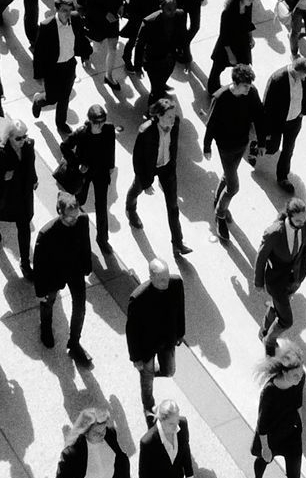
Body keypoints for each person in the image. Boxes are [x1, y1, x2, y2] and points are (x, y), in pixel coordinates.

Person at [203, 63, 264, 242]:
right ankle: (220, 214)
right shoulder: (220, 97)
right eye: (245, 85)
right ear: (236, 83)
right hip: (226, 147)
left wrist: (260, 142)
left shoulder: (251, 93)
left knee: (229, 175)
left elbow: (259, 116)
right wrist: (207, 146)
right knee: (233, 187)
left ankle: (217, 198)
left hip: (241, 143)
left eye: (250, 85)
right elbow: (211, 123)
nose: (249, 88)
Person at [33, 190, 94, 367]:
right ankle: (45, 327)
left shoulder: (82, 221)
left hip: (75, 271)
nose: (74, 220)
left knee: (80, 308)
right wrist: (40, 291)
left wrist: (87, 265)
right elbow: (39, 264)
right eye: (69, 217)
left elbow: (85, 243)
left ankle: (74, 343)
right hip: (54, 274)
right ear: (59, 212)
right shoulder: (47, 233)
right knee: (48, 302)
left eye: (76, 215)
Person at [126, 258, 186, 422]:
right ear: (151, 277)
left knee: (169, 371)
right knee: (147, 382)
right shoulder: (138, 299)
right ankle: (148, 406)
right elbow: (131, 331)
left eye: (166, 277)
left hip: (167, 340)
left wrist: (180, 332)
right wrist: (136, 358)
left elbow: (180, 308)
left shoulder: (176, 283)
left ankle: (149, 372)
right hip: (147, 346)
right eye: (160, 279)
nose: (165, 282)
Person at [127, 98, 190, 254]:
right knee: (137, 189)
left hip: (167, 168)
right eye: (168, 116)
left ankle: (178, 243)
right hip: (148, 168)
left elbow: (173, 146)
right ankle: (130, 209)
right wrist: (146, 182)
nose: (172, 119)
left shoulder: (175, 124)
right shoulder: (146, 131)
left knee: (173, 206)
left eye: (173, 115)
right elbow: (137, 159)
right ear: (159, 116)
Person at [0, 119, 37, 278]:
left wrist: (34, 179)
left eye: (24, 136)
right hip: (4, 195)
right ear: (9, 137)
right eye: (18, 138)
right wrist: (2, 177)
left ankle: (25, 262)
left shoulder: (29, 145)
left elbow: (31, 165)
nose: (23, 141)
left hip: (23, 195)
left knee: (24, 227)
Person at [255, 198, 306, 355]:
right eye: (297, 220)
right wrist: (258, 282)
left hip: (294, 278)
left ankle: (264, 331)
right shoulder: (274, 232)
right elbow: (261, 257)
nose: (301, 223)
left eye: (303, 219)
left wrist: (301, 272)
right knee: (286, 320)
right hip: (277, 281)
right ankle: (270, 340)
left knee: (276, 306)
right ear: (289, 216)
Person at [252, 342, 305, 478]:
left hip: (292, 433)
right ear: (284, 372)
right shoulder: (269, 392)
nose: (300, 376)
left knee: (294, 477)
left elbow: (298, 405)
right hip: (272, 435)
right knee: (263, 460)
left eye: (301, 372)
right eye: (295, 374)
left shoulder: (300, 379)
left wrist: (300, 427)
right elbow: (263, 423)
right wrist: (265, 448)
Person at [32, 0, 93, 133]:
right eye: (64, 10)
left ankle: (61, 123)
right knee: (52, 98)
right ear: (57, 9)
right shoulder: (47, 26)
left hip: (69, 65)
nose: (68, 13)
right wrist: (38, 75)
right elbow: (39, 53)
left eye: (69, 9)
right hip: (53, 69)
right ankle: (38, 101)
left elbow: (81, 38)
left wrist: (86, 55)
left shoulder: (75, 18)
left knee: (65, 97)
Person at [60, 104, 117, 254]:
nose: (100, 126)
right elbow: (64, 147)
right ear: (90, 121)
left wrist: (111, 166)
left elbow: (111, 147)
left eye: (102, 122)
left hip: (101, 171)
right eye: (97, 123)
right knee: (78, 201)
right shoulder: (81, 133)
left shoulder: (109, 129)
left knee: (101, 206)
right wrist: (77, 163)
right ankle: (70, 227)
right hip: (84, 172)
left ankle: (103, 239)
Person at [53, 407, 132, 478]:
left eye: (104, 429)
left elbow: (119, 457)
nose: (102, 434)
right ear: (85, 431)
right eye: (96, 433)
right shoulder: (72, 454)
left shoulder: (110, 434)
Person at [261, 56, 306, 193]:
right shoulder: (277, 79)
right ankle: (257, 146)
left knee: (288, 150)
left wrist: (303, 111)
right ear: (296, 71)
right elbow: (267, 104)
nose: (305, 78)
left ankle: (283, 177)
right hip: (278, 121)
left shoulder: (305, 75)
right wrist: (266, 128)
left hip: (295, 120)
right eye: (303, 76)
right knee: (272, 147)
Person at [139, 400, 195, 478]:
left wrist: (189, 473)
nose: (176, 427)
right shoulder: (148, 442)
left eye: (177, 421)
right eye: (171, 424)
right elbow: (144, 477)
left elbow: (185, 449)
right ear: (161, 420)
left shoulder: (182, 425)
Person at [133, 0, 187, 99]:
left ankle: (162, 85)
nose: (173, 12)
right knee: (156, 90)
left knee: (165, 77)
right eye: (169, 9)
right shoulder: (149, 22)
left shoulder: (180, 15)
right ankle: (152, 107)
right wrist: (138, 67)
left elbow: (183, 37)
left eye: (175, 8)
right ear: (161, 8)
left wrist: (187, 58)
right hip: (154, 61)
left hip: (170, 57)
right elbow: (139, 45)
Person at [207, 0, 256, 95]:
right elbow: (224, 35)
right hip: (227, 45)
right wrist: (230, 55)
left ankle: (241, 90)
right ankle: (213, 91)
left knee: (244, 70)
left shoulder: (248, 7)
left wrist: (251, 37)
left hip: (242, 44)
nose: (252, 0)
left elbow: (248, 22)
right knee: (217, 69)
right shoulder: (228, 13)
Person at [83, 0, 126, 90]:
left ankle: (109, 76)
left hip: (112, 21)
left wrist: (121, 6)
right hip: (97, 22)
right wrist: (105, 14)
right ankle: (85, 51)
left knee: (113, 49)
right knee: (95, 43)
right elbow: (89, 7)